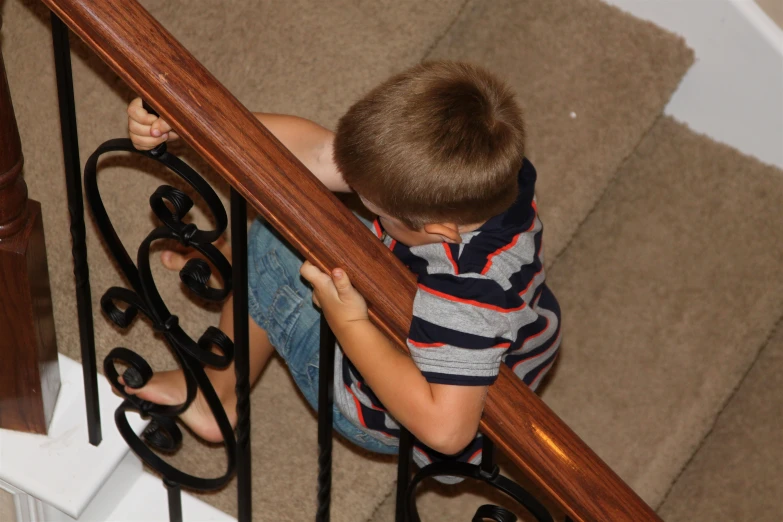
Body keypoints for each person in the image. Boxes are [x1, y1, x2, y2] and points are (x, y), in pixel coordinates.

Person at [124, 60, 562, 469]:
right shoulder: (494, 176)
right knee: (304, 207)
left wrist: (349, 323)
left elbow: (447, 431)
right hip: (479, 334)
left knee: (273, 238)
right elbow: (314, 155)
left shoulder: (468, 294)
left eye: (380, 211)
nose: (359, 198)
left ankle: (215, 395)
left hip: (381, 404)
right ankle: (241, 273)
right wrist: (187, 124)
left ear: (440, 230)